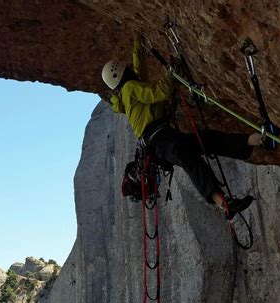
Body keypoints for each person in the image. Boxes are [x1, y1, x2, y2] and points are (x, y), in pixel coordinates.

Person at [102, 37, 264, 219]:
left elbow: (140, 69)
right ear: (122, 72)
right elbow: (159, 92)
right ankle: (223, 203)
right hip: (159, 140)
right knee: (189, 156)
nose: (131, 68)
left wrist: (137, 41)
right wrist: (171, 74)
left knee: (205, 140)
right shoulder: (130, 88)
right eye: (128, 68)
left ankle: (255, 139)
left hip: (160, 140)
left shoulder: (128, 90)